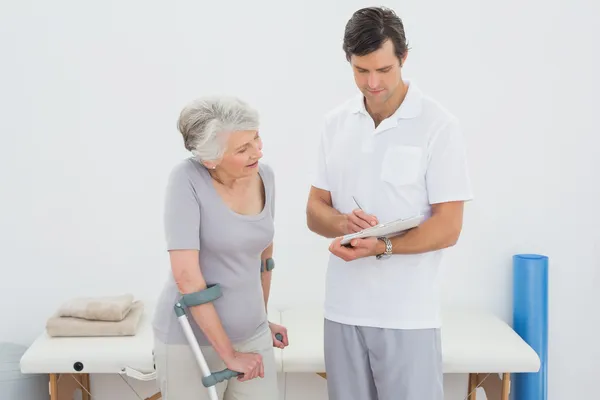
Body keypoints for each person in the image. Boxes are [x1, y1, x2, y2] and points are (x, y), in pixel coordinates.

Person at [306, 6, 473, 400]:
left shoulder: (439, 126)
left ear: (404, 58)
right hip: (342, 312)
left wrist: (382, 246)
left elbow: (449, 226)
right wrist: (344, 222)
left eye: (383, 70)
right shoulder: (335, 123)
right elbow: (314, 211)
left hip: (407, 316)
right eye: (361, 71)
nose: (373, 82)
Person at [152, 95, 288, 400]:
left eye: (256, 138)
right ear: (210, 159)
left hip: (253, 335)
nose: (258, 151)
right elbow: (186, 277)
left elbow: (263, 257)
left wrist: (261, 319)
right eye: (243, 148)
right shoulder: (186, 179)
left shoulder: (264, 175)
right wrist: (229, 355)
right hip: (192, 341)